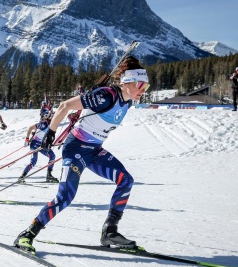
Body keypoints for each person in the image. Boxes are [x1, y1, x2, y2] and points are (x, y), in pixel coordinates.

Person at [14, 55, 149, 254]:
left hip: (94, 150)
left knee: (125, 180)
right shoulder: (106, 95)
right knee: (65, 196)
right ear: (127, 82)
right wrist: (51, 131)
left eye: (146, 87)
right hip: (76, 147)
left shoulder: (126, 101)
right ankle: (27, 234)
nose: (143, 90)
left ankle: (110, 231)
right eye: (140, 85)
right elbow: (65, 106)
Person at [18, 110, 59, 183]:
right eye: (53, 116)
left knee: (33, 162)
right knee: (52, 156)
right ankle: (49, 175)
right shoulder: (50, 125)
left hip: (33, 144)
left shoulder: (42, 123)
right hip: (39, 145)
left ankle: (22, 176)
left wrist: (27, 139)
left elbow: (30, 128)